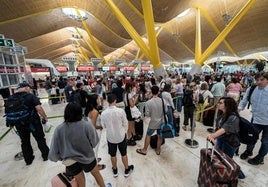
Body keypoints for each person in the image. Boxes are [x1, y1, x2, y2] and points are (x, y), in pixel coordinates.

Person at [48, 102, 106, 187]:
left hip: (70, 161)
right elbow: (94, 142)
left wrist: (61, 157)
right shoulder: (86, 125)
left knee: (80, 181)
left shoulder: (59, 129)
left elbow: (54, 149)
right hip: (87, 157)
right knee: (96, 174)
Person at [207, 97, 245, 179]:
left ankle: (239, 174)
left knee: (227, 160)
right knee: (220, 157)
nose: (218, 104)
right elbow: (219, 128)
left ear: (227, 105)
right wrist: (215, 137)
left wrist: (212, 136)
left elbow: (224, 129)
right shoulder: (223, 114)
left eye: (220, 103)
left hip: (230, 143)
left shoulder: (233, 118)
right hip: (221, 139)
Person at [13, 82, 50, 165]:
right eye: (29, 88)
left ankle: (28, 160)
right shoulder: (30, 96)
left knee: (25, 141)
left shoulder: (12, 98)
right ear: (26, 88)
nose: (29, 89)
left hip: (19, 124)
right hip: (33, 122)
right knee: (40, 138)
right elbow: (39, 108)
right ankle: (46, 155)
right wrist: (45, 117)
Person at [101, 94, 134, 178]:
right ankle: (126, 170)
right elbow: (125, 123)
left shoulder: (103, 113)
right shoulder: (120, 111)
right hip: (121, 136)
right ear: (115, 100)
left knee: (113, 155)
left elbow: (103, 126)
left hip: (110, 137)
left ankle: (115, 170)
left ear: (107, 101)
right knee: (124, 154)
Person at [238, 72, 268, 165]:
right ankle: (248, 151)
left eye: (262, 79)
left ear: (267, 80)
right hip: (255, 119)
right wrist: (238, 109)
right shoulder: (252, 89)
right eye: (257, 79)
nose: (259, 82)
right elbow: (244, 100)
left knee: (265, 142)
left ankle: (260, 157)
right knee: (251, 137)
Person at [136, 85, 167, 156]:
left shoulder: (148, 102)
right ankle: (158, 150)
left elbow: (147, 114)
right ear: (158, 92)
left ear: (151, 92)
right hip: (161, 122)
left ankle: (144, 150)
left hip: (153, 123)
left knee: (148, 135)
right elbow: (166, 110)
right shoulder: (163, 101)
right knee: (160, 136)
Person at [85, 94, 105, 170]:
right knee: (95, 148)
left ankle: (95, 159)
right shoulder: (95, 111)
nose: (100, 100)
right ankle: (95, 165)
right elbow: (93, 125)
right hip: (95, 132)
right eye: (99, 99)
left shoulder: (89, 108)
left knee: (94, 148)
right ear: (95, 100)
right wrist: (100, 127)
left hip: (90, 131)